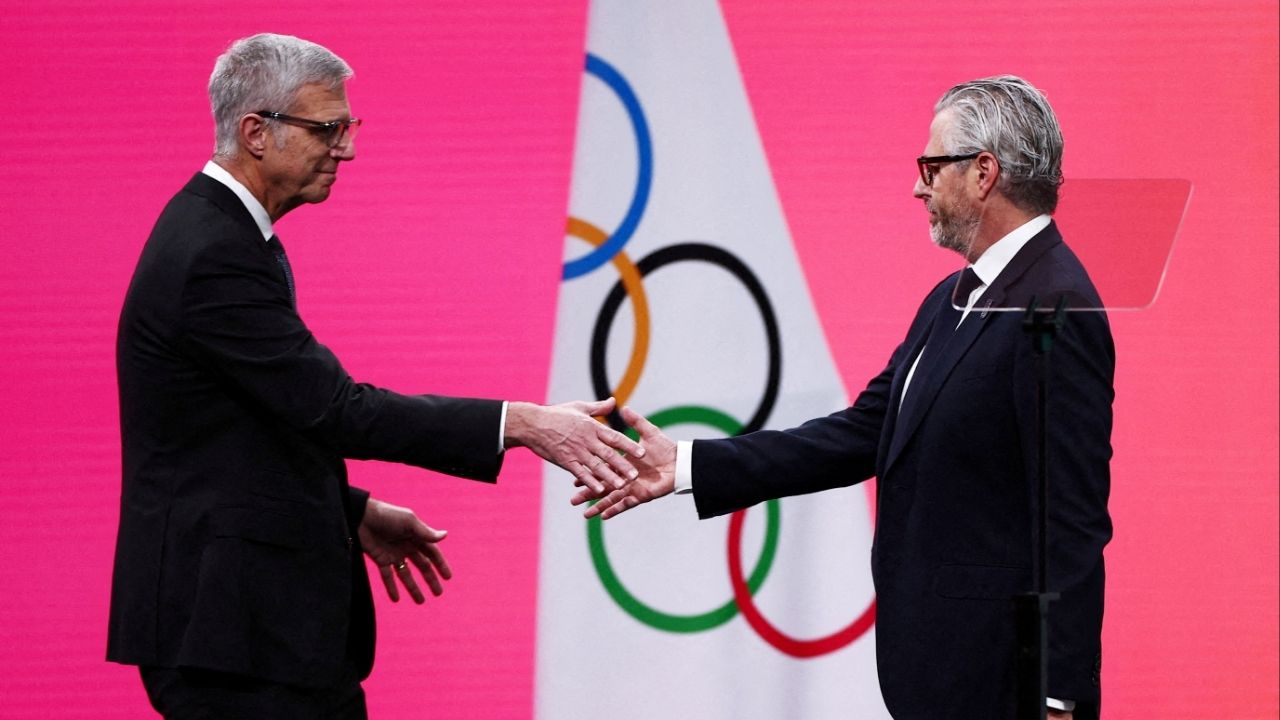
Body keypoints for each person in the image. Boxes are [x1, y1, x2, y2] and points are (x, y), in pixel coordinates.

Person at [107, 33, 643, 719]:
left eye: (347, 126)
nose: (348, 148)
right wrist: (523, 423)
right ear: (255, 133)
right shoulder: (213, 253)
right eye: (327, 128)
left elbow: (241, 430)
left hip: (247, 632)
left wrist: (348, 509)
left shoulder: (222, 236)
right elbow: (336, 409)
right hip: (234, 637)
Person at [581, 76, 1113, 720]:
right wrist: (687, 467)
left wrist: (1059, 698)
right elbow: (862, 434)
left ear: (982, 173)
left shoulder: (1058, 305)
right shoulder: (950, 299)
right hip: (938, 676)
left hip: (1003, 687)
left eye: (930, 165)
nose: (918, 186)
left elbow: (1072, 521)